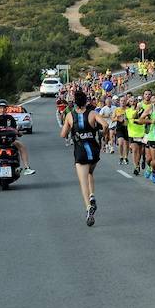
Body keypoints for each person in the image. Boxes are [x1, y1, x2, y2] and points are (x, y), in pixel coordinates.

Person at [60, 90, 104, 226]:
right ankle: (93, 195)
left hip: (80, 152)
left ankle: (88, 207)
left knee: (83, 181)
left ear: (74, 102)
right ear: (86, 101)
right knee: (90, 172)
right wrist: (102, 134)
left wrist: (69, 129)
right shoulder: (93, 113)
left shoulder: (69, 115)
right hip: (94, 150)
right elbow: (106, 125)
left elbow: (63, 135)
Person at [0, 99, 36, 179]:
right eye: (1, 108)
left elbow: (14, 129)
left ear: (6, 109)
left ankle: (27, 168)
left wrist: (18, 133)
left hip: (9, 140)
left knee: (22, 146)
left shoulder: (10, 118)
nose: (2, 110)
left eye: (4, 108)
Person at [125, 96, 146, 175]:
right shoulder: (127, 111)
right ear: (129, 103)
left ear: (137, 102)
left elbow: (144, 119)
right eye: (131, 101)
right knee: (134, 150)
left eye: (134, 101)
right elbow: (127, 120)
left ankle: (140, 161)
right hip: (132, 133)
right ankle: (136, 166)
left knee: (141, 151)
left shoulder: (142, 110)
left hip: (141, 133)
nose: (133, 103)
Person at [113, 95, 130, 164]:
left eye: (124, 101)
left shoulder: (128, 109)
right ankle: (121, 156)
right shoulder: (117, 109)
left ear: (126, 102)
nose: (123, 102)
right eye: (121, 101)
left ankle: (126, 157)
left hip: (127, 128)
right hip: (119, 128)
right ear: (119, 102)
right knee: (120, 143)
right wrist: (118, 118)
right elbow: (112, 118)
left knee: (126, 144)